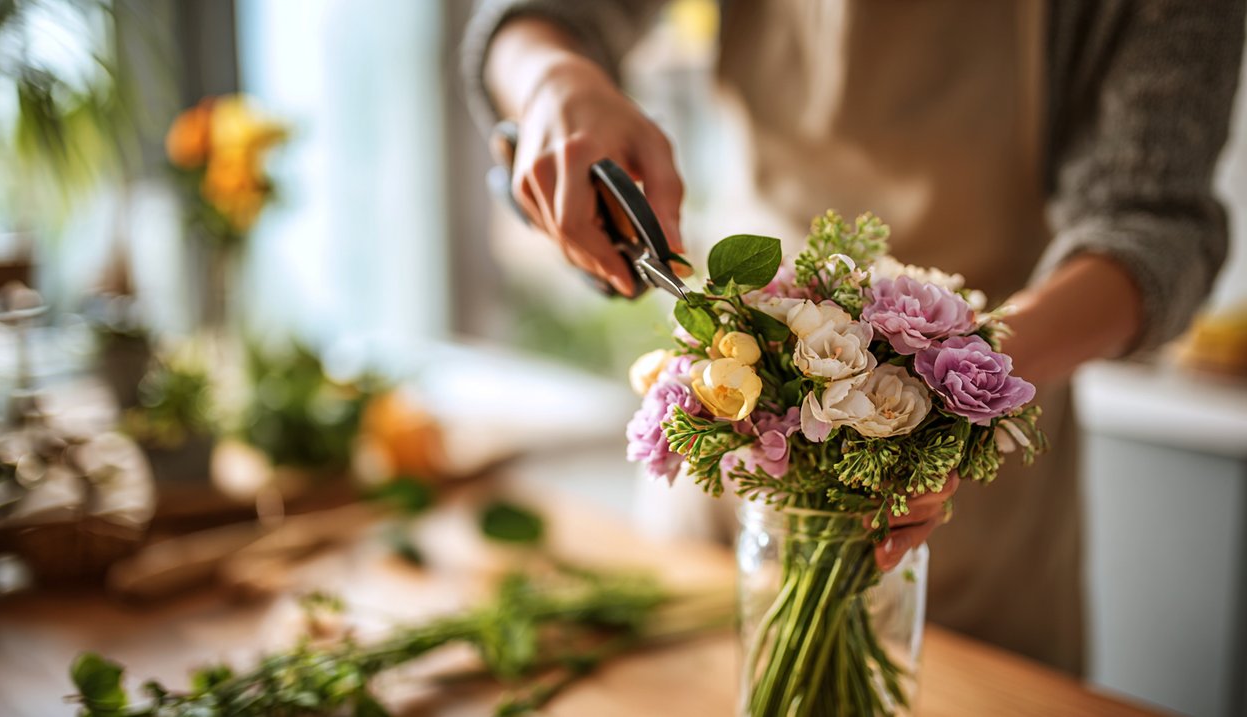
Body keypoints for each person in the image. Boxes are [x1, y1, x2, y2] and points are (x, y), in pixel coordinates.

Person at [462, 0, 1244, 675]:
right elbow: (538, 17)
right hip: (737, 409)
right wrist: (553, 77)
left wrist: (958, 391)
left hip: (981, 460)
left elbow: (1155, 224)